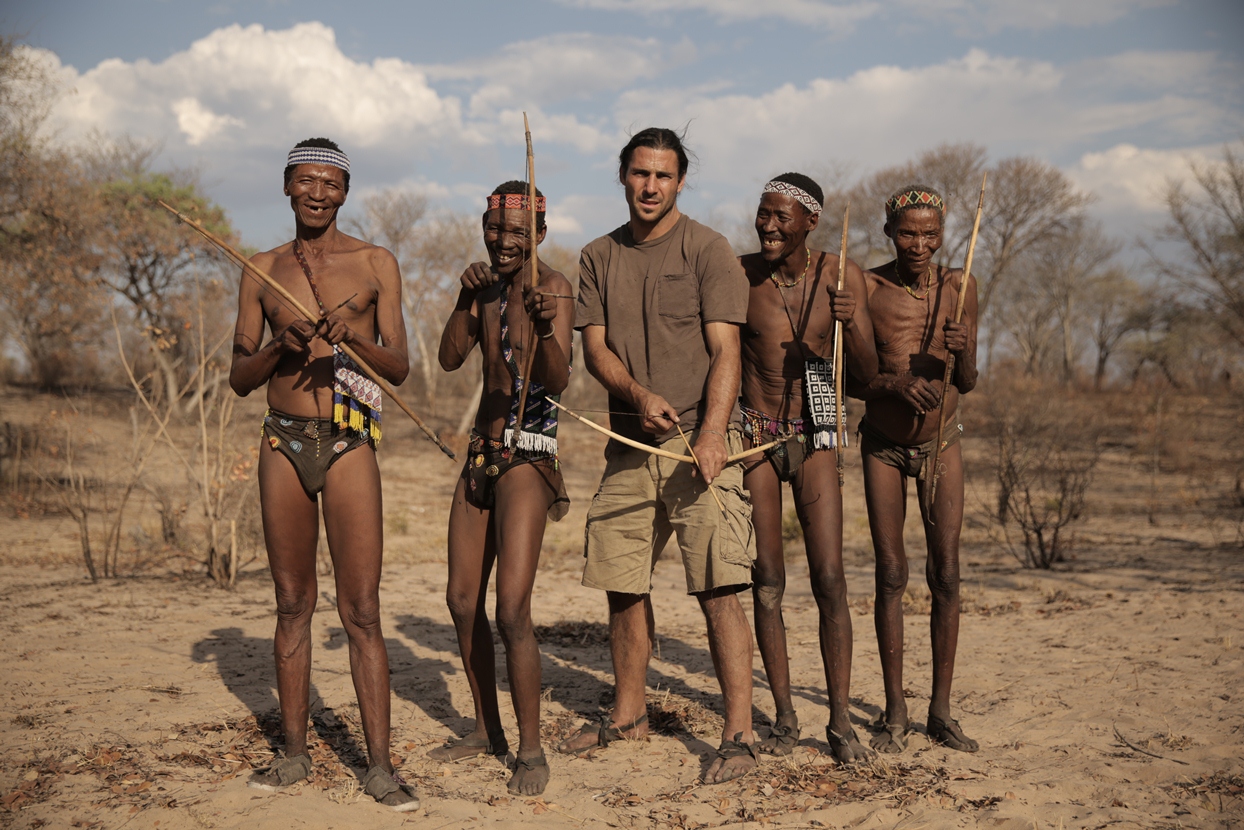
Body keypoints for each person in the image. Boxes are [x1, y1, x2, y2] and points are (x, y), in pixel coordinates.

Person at [557, 128, 759, 784]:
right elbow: (595, 352)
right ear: (623, 177)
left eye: (663, 176)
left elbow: (726, 351)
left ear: (680, 182)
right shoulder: (596, 256)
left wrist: (711, 437)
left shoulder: (709, 249)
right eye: (640, 174)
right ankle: (627, 715)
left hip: (699, 439)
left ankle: (739, 734)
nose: (650, 187)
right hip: (628, 441)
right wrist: (638, 395)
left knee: (719, 587)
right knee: (622, 586)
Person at [229, 138, 419, 811]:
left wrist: (351, 339)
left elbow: (397, 367)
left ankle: (381, 766)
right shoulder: (261, 269)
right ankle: (293, 755)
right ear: (286, 187)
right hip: (282, 439)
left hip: (350, 438)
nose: (317, 194)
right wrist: (279, 346)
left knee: (361, 608)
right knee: (291, 604)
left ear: (345, 192)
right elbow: (238, 377)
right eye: (305, 182)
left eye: (330, 184)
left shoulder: (375, 264)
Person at [434, 181, 574, 796]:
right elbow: (447, 359)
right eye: (495, 229)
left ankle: (532, 749)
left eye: (518, 233)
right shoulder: (483, 290)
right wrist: (466, 301)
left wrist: (544, 326)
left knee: (511, 610)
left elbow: (558, 378)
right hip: (480, 454)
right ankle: (486, 731)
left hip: (529, 455)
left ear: (538, 236)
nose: (503, 241)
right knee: (462, 603)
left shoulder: (557, 289)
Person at [738, 173, 878, 763]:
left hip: (817, 436)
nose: (768, 226)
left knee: (830, 580)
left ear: (810, 223)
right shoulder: (739, 276)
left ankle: (841, 720)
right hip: (756, 439)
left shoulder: (846, 280)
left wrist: (857, 322)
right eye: (762, 214)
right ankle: (786, 715)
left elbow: (868, 379)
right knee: (767, 580)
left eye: (781, 217)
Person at [850, 185, 979, 754]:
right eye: (908, 233)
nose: (919, 245)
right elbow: (852, 379)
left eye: (930, 234)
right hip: (882, 444)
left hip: (941, 444)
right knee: (891, 573)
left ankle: (941, 711)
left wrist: (965, 347)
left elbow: (969, 381)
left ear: (944, 235)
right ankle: (895, 711)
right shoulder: (869, 288)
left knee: (947, 574)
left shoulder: (962, 285)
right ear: (888, 232)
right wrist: (897, 383)